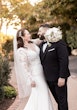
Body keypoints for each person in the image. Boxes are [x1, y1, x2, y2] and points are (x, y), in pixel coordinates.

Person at [13, 28, 54, 110]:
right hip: (35, 75)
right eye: (27, 34)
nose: (29, 35)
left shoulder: (33, 43)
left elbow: (41, 39)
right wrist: (30, 79)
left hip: (42, 72)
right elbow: (24, 67)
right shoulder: (21, 51)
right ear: (22, 37)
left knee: (44, 93)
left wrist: (48, 32)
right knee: (41, 93)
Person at [38, 24, 70, 110]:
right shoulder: (41, 45)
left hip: (59, 78)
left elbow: (64, 60)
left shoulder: (59, 42)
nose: (38, 33)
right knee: (58, 101)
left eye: (40, 31)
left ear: (46, 31)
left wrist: (62, 77)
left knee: (62, 101)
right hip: (48, 79)